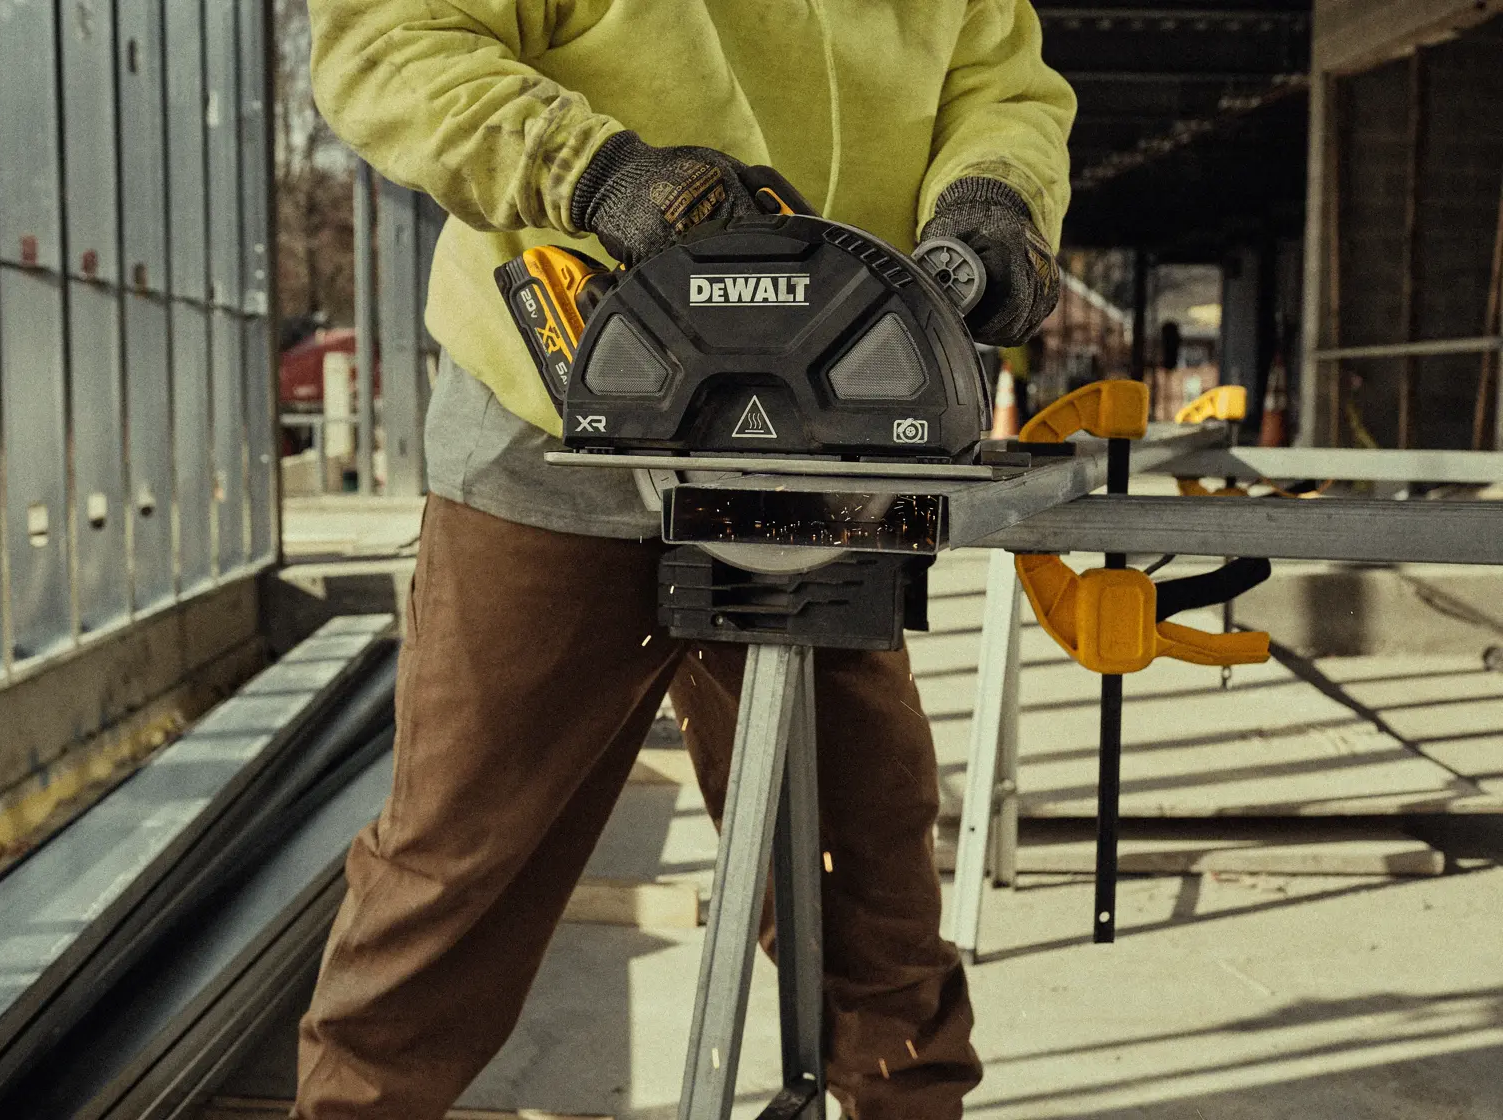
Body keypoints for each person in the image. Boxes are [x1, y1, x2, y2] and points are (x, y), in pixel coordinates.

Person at [295, 3, 1074, 1116]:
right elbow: (390, 42)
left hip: (827, 434)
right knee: (456, 875)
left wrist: (994, 195)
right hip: (559, 417)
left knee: (866, 876)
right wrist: (594, 172)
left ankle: (909, 1102)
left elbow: (1003, 83)